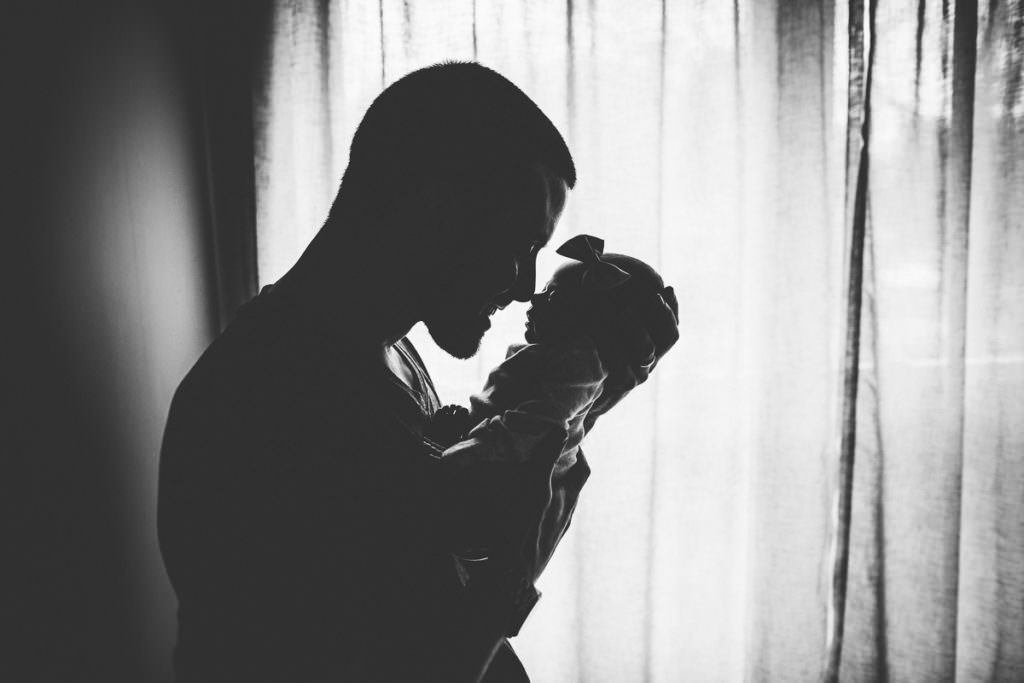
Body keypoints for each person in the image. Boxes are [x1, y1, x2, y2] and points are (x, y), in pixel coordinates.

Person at [157, 62, 679, 682]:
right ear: (434, 206)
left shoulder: (387, 354)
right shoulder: (255, 404)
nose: (525, 288)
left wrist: (588, 395)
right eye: (519, 245)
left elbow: (425, 568)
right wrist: (515, 567)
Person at [433, 234, 679, 556]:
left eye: (552, 297)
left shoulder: (579, 364)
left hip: (498, 471)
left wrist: (470, 449)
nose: (532, 297)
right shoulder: (556, 360)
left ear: (587, 322)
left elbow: (536, 423)